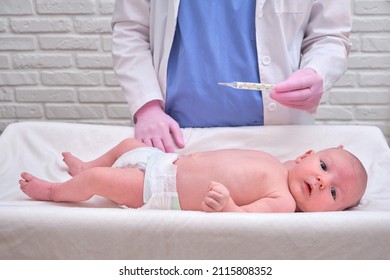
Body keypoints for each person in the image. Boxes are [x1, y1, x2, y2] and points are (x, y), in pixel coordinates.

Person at [111, 1, 352, 152]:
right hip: (174, 137)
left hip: (278, 137)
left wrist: (317, 72)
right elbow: (130, 30)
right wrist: (147, 107)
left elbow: (329, 36)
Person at [19, 138, 367, 213]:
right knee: (128, 144)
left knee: (100, 185)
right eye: (323, 166)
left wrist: (228, 205)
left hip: (160, 188)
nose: (323, 181)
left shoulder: (284, 202)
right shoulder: (280, 164)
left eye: (334, 194)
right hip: (166, 160)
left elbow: (244, 218)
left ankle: (56, 191)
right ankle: (89, 165)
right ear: (306, 154)